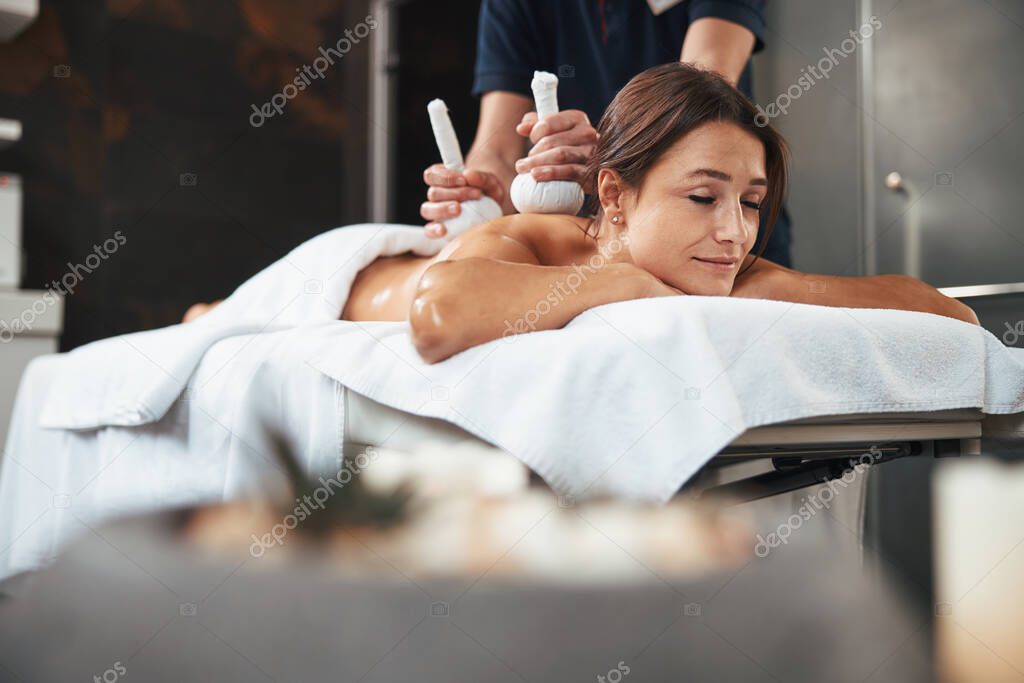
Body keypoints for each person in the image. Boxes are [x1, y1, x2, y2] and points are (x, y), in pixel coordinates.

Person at [336, 64, 976, 363]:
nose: (733, 231)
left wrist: (780, 286)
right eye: (703, 197)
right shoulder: (530, 237)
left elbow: (949, 313)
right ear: (612, 196)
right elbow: (437, 315)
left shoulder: (730, 268)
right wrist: (628, 284)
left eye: (751, 203)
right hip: (343, 275)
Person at [420, 0, 794, 267]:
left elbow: (703, 102)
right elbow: (498, 150)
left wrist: (610, 156)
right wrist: (483, 191)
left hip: (718, 248)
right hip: (590, 252)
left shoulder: (731, 232)